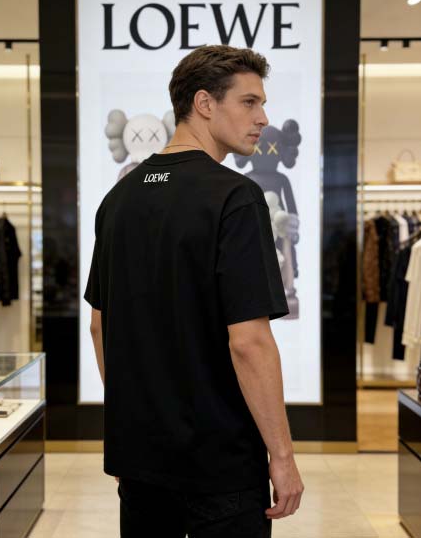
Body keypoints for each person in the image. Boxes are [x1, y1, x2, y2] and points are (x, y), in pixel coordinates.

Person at [84, 44, 304, 538]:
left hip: (141, 460)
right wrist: (283, 456)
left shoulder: (117, 199)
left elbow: (100, 325)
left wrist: (129, 432)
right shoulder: (236, 196)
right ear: (205, 103)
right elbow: (249, 342)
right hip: (220, 466)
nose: (263, 118)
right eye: (249, 102)